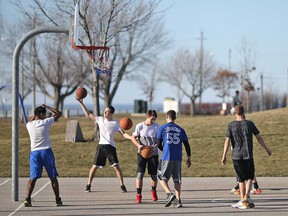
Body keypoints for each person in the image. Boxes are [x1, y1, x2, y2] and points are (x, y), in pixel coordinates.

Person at [221, 105, 272, 209]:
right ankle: (247, 197)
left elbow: (227, 141)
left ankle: (243, 200)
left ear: (235, 113)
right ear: (244, 112)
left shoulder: (231, 125)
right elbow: (259, 138)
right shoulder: (249, 123)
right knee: (249, 176)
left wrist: (224, 155)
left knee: (240, 179)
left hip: (236, 155)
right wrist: (266, 148)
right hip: (247, 154)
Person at [76, 98, 131, 193]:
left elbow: (123, 134)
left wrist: (131, 137)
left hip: (110, 147)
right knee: (94, 166)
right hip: (101, 146)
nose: (105, 113)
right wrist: (81, 103)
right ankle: (88, 185)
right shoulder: (100, 119)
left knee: (116, 167)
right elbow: (89, 115)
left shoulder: (115, 124)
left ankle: (122, 186)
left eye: (107, 111)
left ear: (111, 113)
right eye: (104, 111)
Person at [24, 104, 63, 207]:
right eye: (44, 114)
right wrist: (47, 106)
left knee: (33, 178)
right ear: (41, 114)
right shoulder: (45, 122)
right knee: (53, 177)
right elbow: (59, 113)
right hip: (46, 152)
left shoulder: (29, 125)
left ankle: (27, 199)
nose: (46, 116)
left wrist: (36, 113)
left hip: (34, 153)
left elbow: (32, 120)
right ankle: (58, 200)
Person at [157, 110, 192, 208]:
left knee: (161, 177)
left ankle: (170, 194)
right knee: (177, 179)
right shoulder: (180, 129)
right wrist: (189, 157)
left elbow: (158, 143)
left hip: (167, 156)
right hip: (178, 157)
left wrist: (163, 150)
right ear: (175, 118)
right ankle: (178, 200)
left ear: (166, 117)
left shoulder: (162, 128)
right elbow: (186, 144)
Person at [131, 110, 160, 203]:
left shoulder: (157, 127)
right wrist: (139, 146)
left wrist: (156, 145)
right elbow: (133, 138)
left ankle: (153, 190)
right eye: (152, 119)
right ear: (147, 117)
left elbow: (160, 140)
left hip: (153, 154)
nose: (153, 121)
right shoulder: (139, 126)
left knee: (154, 176)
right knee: (140, 174)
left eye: (154, 120)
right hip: (142, 154)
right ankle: (138, 194)